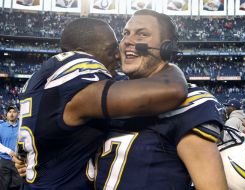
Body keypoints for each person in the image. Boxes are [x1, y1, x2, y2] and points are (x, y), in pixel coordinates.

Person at [14, 17, 187, 190]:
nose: (118, 56)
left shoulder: (44, 78)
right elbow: (172, 90)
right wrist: (168, 62)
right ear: (83, 54)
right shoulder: (82, 79)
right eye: (111, 50)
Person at [95, 9, 227, 190]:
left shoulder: (190, 104)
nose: (128, 41)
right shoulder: (112, 90)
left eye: (142, 34)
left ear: (166, 48)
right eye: (126, 33)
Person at [0, 106, 22, 190]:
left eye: (14, 111)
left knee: (19, 184)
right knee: (4, 185)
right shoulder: (1, 127)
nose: (12, 114)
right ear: (6, 114)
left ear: (17, 114)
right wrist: (8, 151)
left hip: (18, 160)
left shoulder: (22, 126)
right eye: (9, 112)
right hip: (5, 160)